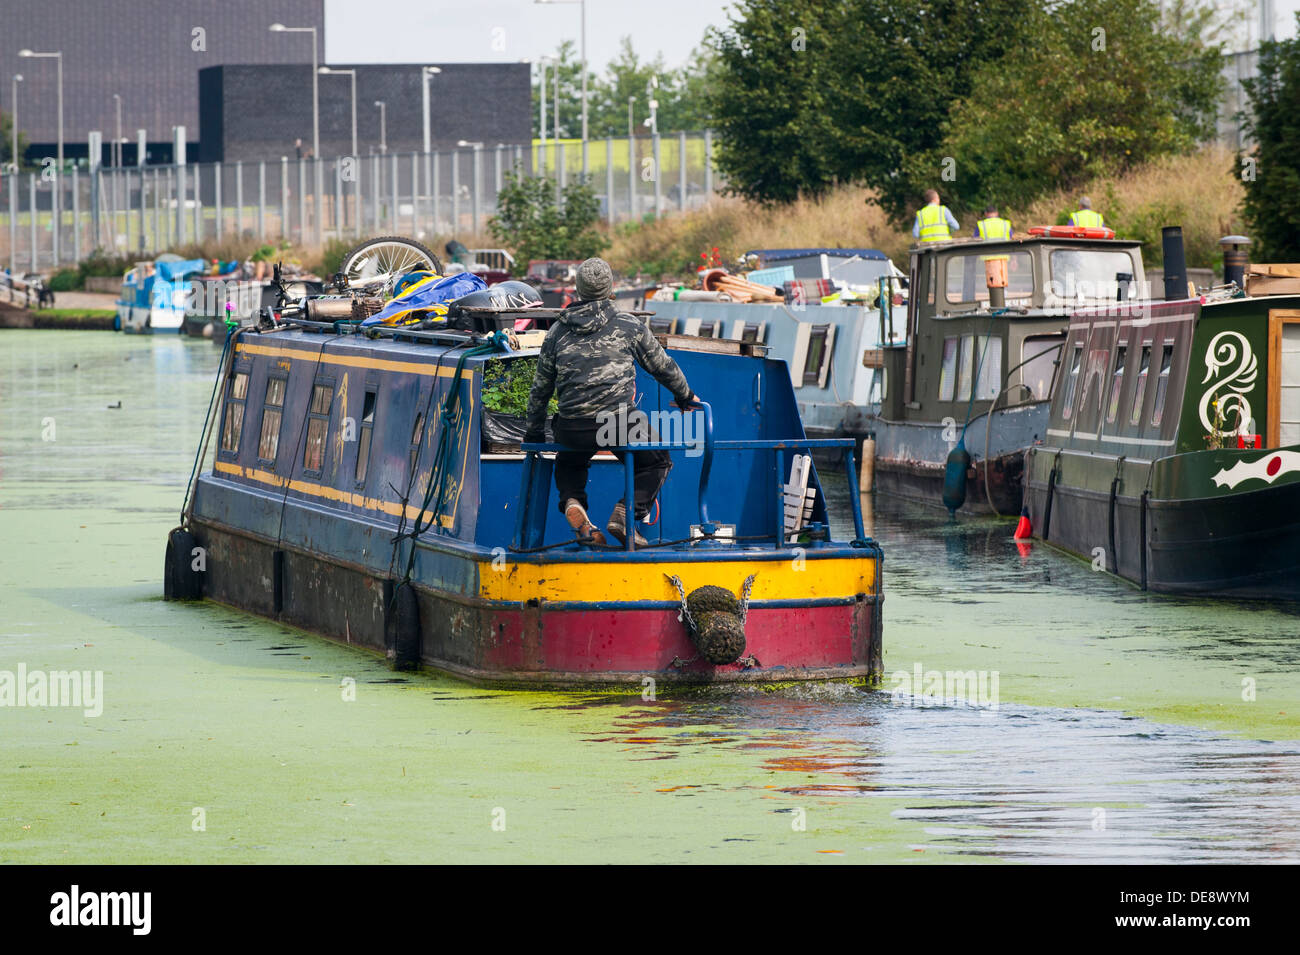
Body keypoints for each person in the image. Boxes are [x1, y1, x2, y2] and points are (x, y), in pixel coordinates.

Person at [525, 258, 698, 546]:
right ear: (611, 288)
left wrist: (532, 432)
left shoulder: (557, 331)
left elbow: (540, 388)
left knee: (570, 462)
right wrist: (685, 395)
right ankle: (628, 511)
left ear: (577, 290)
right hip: (617, 422)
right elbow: (662, 366)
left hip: (572, 425)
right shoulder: (629, 325)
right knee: (657, 462)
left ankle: (573, 502)